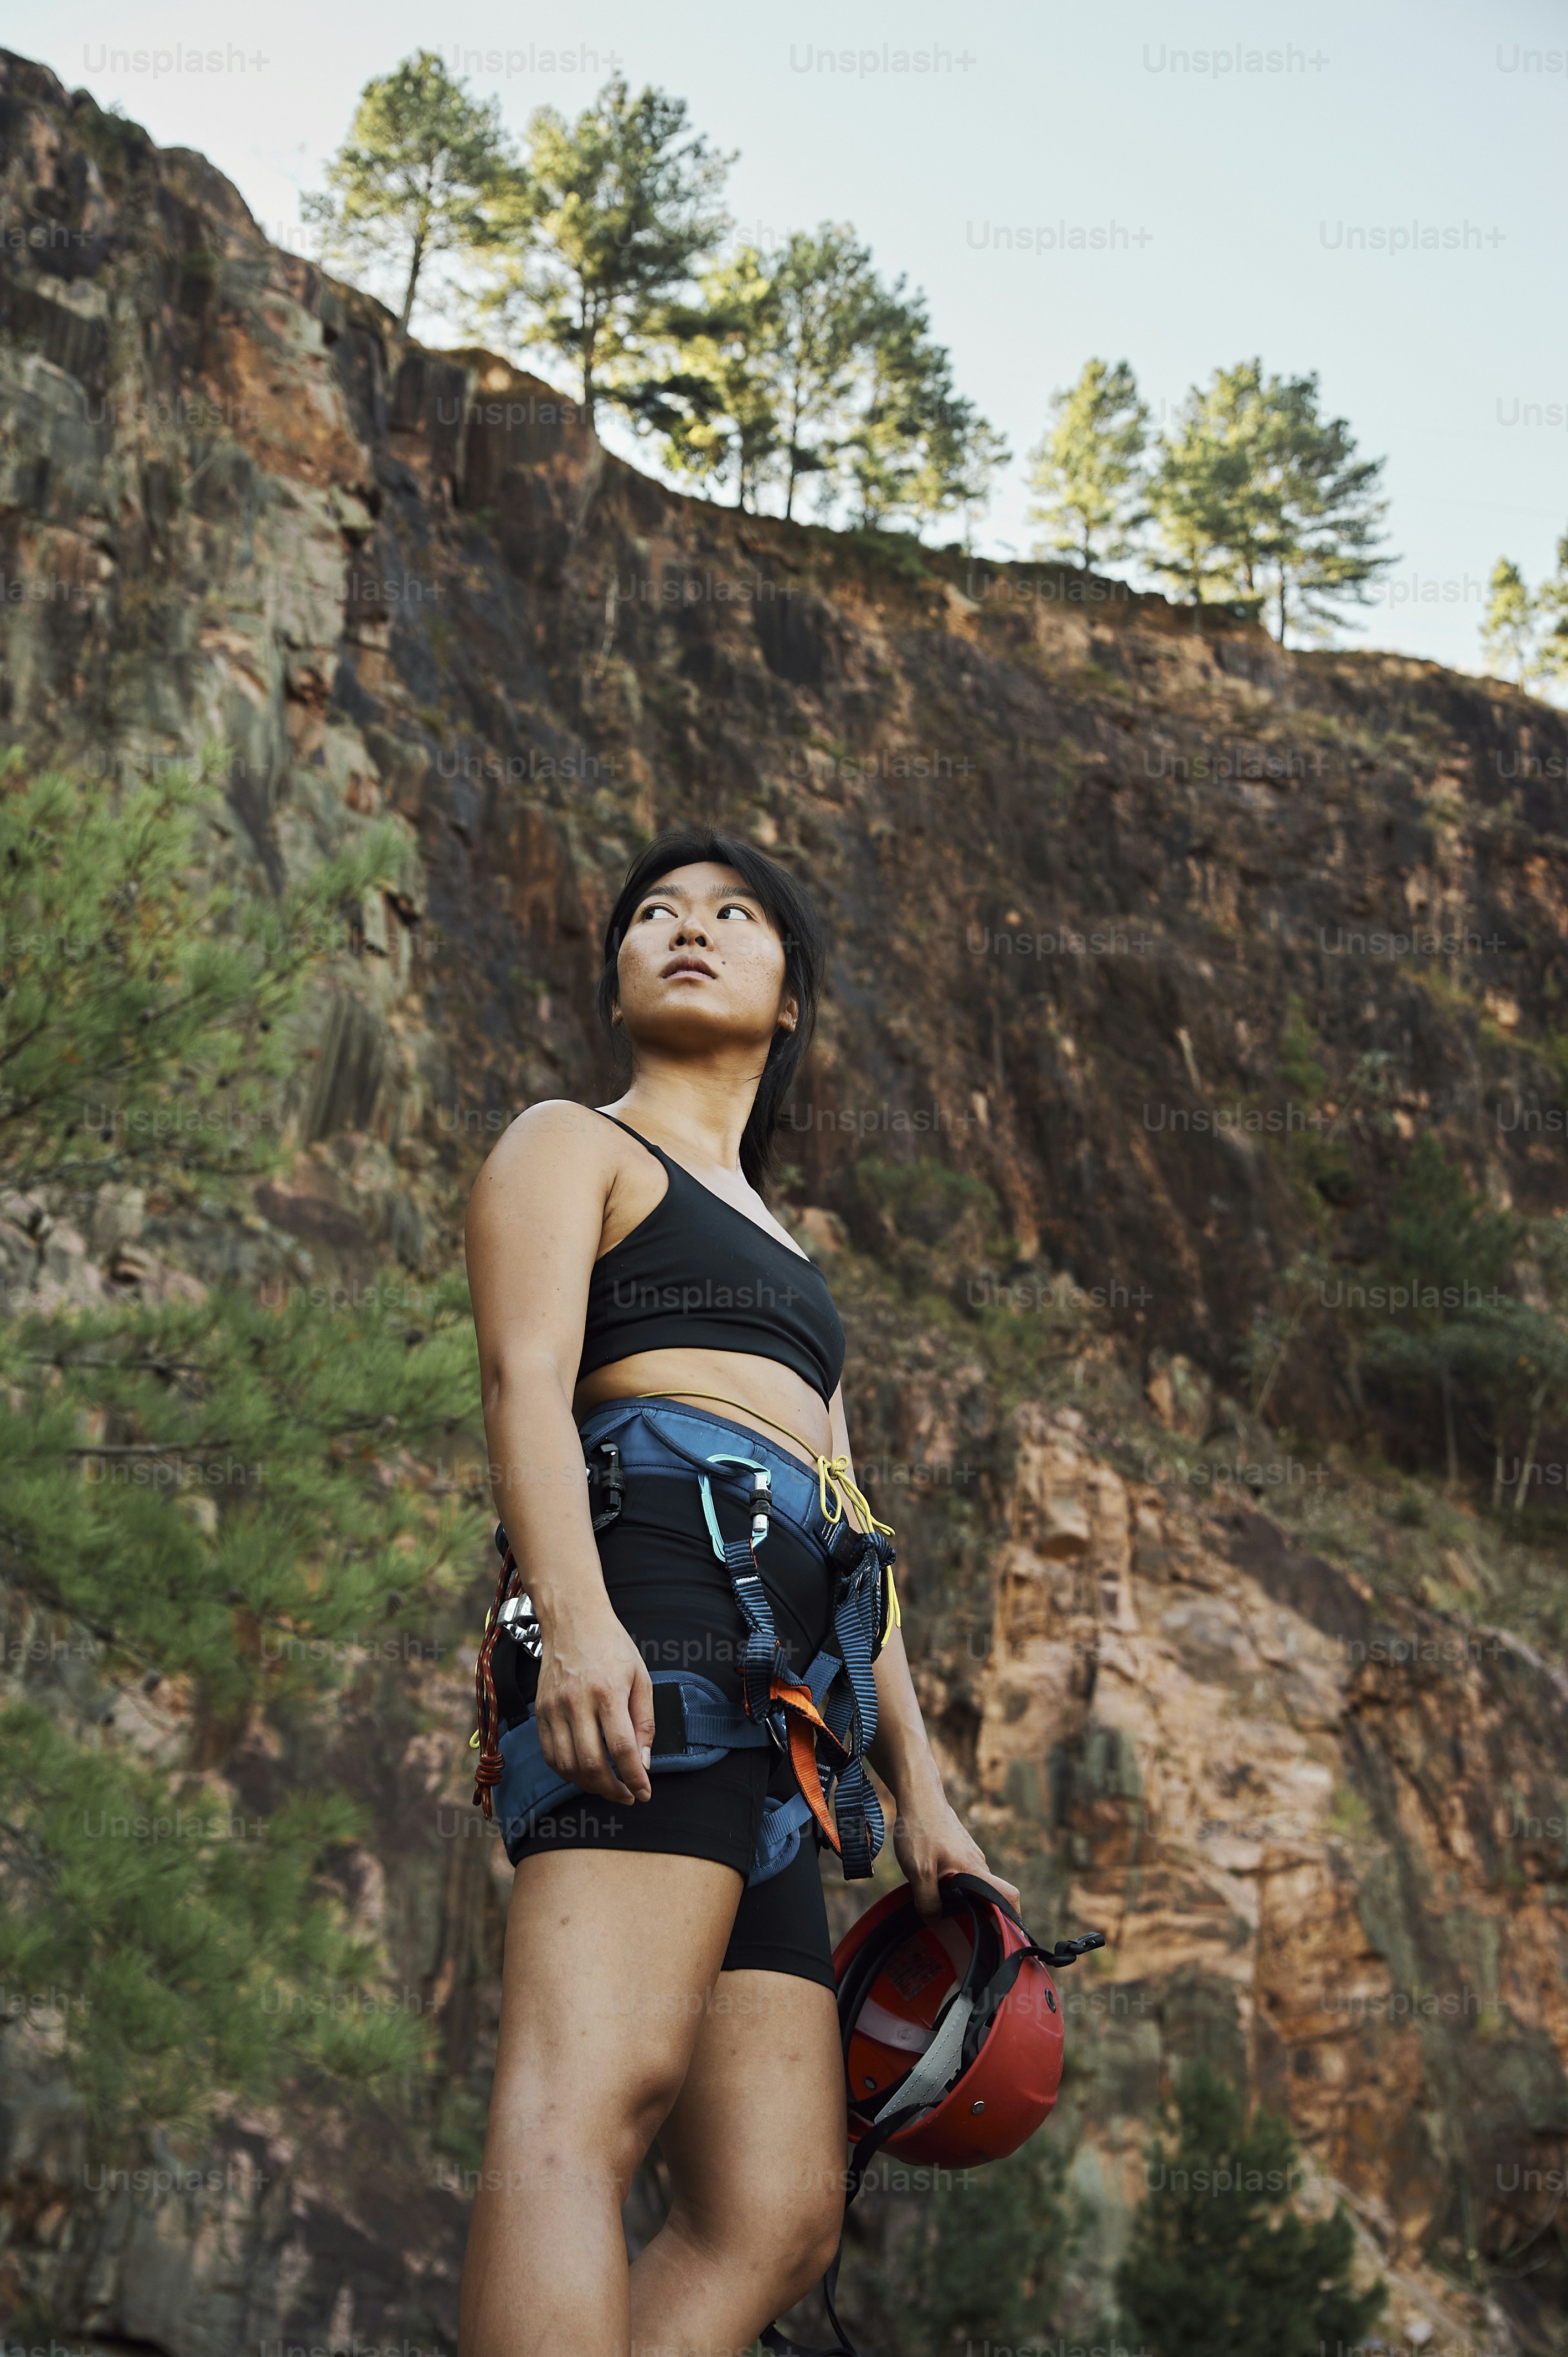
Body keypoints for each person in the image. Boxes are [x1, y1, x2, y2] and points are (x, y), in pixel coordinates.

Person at [457, 827, 1017, 2357]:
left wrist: (924, 1793)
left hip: (784, 1700)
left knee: (774, 2209)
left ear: (791, 1004)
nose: (688, 928)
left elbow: (854, 1531)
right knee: (588, 2093)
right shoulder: (572, 1143)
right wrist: (573, 1617)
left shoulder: (795, 1265)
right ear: (620, 976)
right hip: (644, 1605)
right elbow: (522, 1385)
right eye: (654, 914)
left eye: (733, 916)